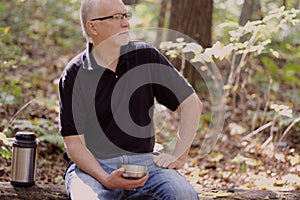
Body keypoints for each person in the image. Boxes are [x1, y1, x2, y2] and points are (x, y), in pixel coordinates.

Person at [58, 0, 202, 199]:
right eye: (116, 17)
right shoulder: (75, 73)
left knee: (183, 195)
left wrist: (179, 154)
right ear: (93, 26)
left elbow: (191, 103)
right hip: (93, 167)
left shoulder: (145, 56)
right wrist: (105, 178)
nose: (125, 23)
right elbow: (74, 144)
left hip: (144, 164)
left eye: (126, 16)